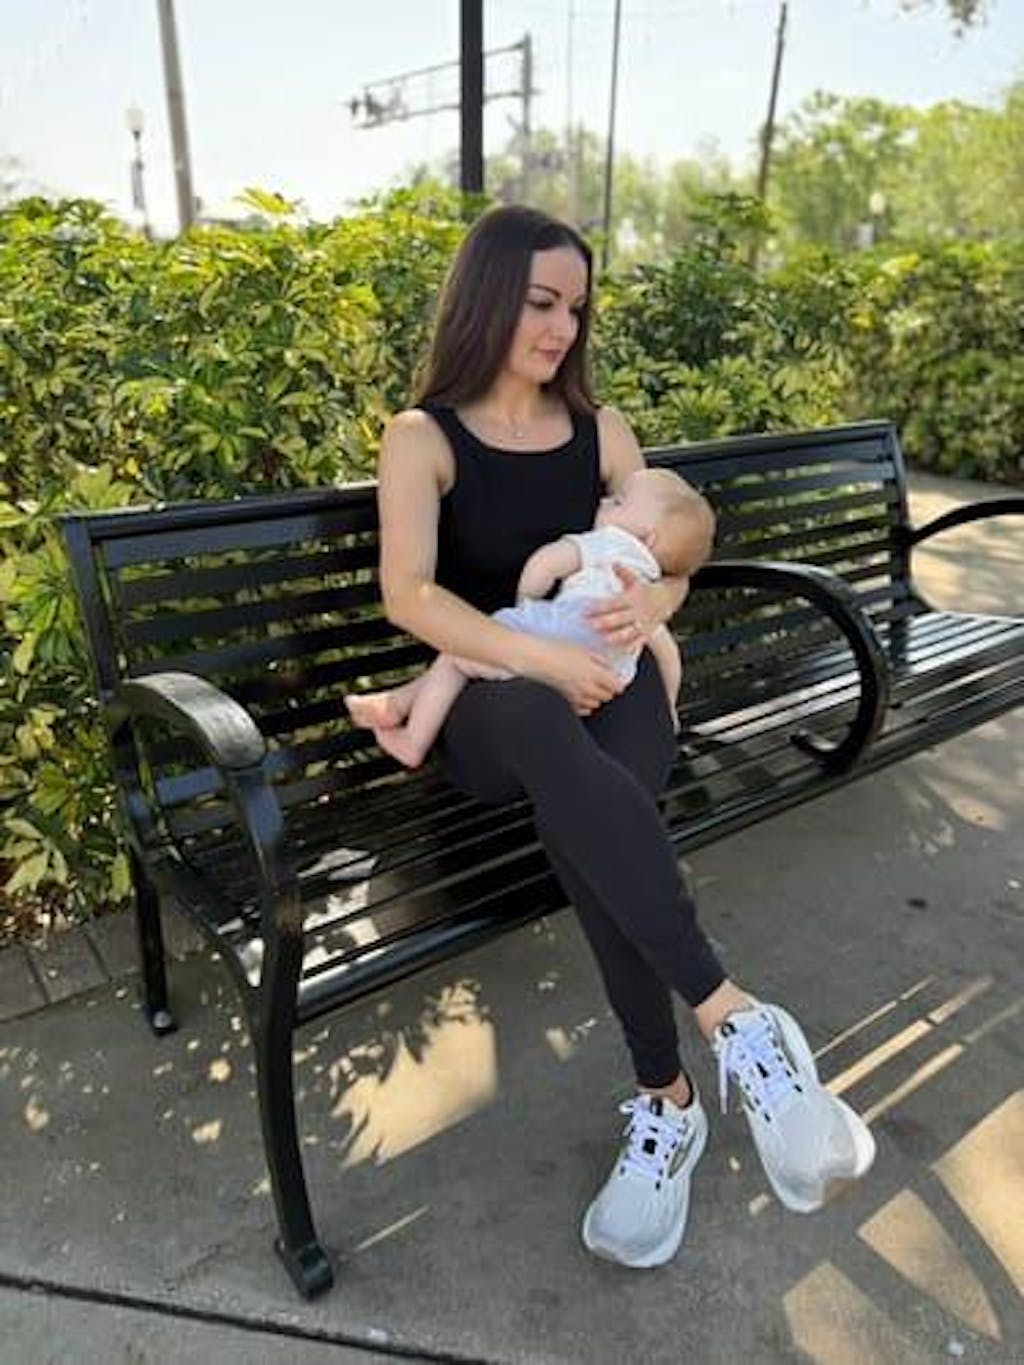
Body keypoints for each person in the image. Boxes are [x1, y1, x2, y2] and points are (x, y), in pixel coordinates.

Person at [357, 203, 876, 1271]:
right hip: (494, 706)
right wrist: (542, 659)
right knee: (551, 739)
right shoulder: (422, 438)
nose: (562, 328)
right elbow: (409, 595)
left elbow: (669, 553)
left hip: (614, 674)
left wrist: (656, 604)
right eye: (541, 303)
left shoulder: (603, 432)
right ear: (487, 297)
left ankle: (669, 1100)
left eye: (576, 309)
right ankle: (733, 1015)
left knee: (595, 819)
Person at [345, 466, 713, 767]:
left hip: (559, 634)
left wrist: (527, 606)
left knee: (460, 653)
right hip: (611, 672)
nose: (604, 500)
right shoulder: (640, 595)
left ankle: (412, 740)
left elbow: (545, 564)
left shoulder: (611, 542)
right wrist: (668, 708)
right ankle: (400, 702)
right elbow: (669, 657)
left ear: (646, 539)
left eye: (617, 501)